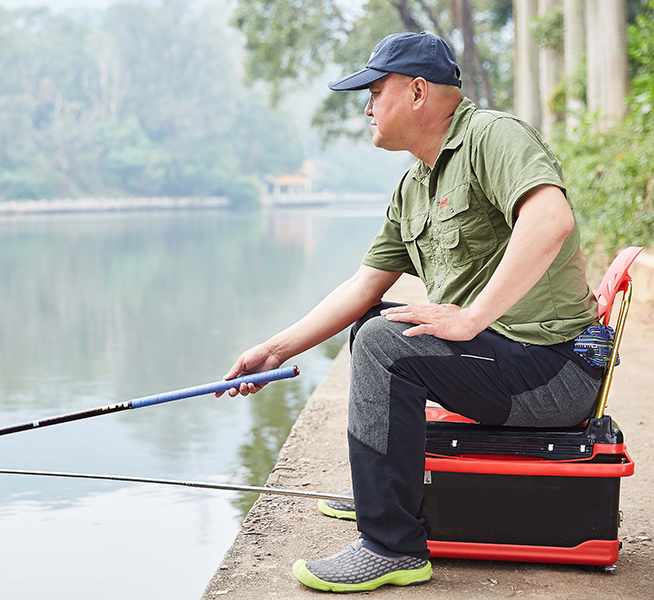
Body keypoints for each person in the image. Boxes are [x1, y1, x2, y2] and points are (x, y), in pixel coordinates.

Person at [218, 31, 607, 593]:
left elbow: (551, 220)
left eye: (376, 91)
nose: (367, 107)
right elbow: (360, 285)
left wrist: (470, 317)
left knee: (383, 342)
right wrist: (274, 350)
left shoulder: (491, 138)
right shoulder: (414, 185)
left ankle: (390, 547)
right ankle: (387, 498)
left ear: (419, 91)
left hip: (552, 371)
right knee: (372, 321)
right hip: (509, 362)